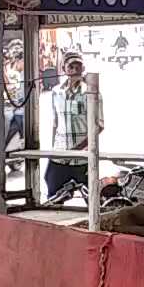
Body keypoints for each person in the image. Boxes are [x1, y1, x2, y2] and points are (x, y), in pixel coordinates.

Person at [43, 51, 102, 200]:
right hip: (60, 155)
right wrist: (53, 150)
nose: (75, 70)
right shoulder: (56, 92)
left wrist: (77, 149)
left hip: (82, 157)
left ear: (83, 68)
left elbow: (98, 126)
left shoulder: (91, 93)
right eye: (71, 66)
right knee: (53, 194)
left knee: (93, 199)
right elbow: (55, 124)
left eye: (78, 66)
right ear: (64, 69)